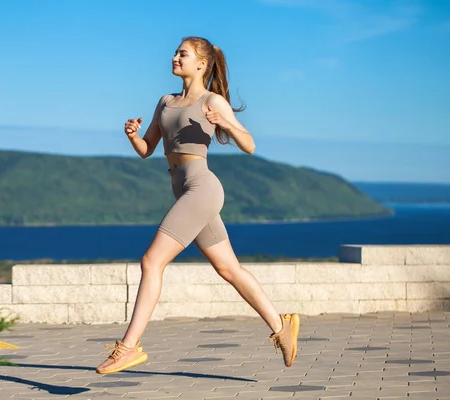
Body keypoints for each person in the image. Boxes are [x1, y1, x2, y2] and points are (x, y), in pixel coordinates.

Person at [96, 36, 300, 375]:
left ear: (201, 64)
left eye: (183, 54)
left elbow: (249, 144)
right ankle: (282, 325)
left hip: (201, 188)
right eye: (176, 52)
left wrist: (227, 123)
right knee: (228, 269)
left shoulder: (212, 100)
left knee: (151, 260)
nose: (175, 57)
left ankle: (128, 348)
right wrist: (132, 135)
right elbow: (148, 149)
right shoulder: (165, 101)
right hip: (183, 188)